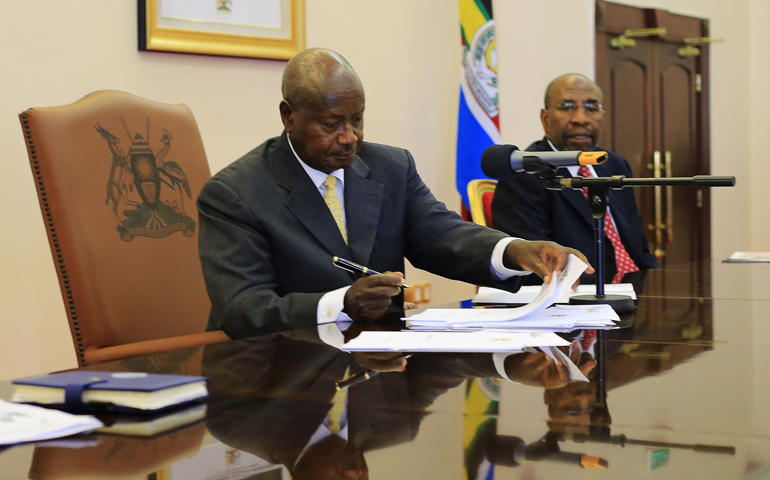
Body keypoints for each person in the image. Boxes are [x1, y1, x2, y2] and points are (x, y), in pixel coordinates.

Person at [197, 49, 591, 339]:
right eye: (332, 124)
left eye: (357, 119)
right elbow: (241, 308)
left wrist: (515, 251)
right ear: (288, 116)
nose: (350, 137)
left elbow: (442, 235)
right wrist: (340, 304)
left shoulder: (390, 167)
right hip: (278, 375)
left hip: (379, 371)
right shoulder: (235, 193)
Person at [491, 74, 657, 285]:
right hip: (579, 299)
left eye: (592, 108)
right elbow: (535, 270)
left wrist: (659, 283)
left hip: (637, 289)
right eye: (567, 107)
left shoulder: (615, 164)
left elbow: (639, 251)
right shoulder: (524, 174)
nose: (581, 119)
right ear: (545, 119)